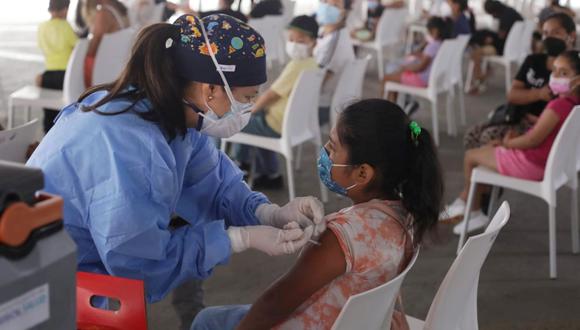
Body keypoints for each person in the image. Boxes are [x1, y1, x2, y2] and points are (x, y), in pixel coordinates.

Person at [27, 13, 326, 313]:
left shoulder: (172, 113)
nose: (248, 109)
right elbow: (140, 267)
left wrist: (268, 212)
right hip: (43, 289)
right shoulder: (128, 147)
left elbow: (216, 183)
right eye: (246, 98)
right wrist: (237, 239)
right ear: (210, 89)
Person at [190, 99, 444, 330]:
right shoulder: (405, 215)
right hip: (351, 321)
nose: (324, 153)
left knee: (207, 320)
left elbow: (276, 303)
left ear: (363, 173)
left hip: (316, 322)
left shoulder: (340, 237)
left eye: (332, 148)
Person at [442, 50, 580, 234]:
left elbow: (532, 140)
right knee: (484, 155)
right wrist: (538, 123)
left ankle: (474, 210)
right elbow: (553, 129)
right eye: (554, 71)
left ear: (577, 80)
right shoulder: (573, 104)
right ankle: (467, 201)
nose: (555, 77)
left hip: (532, 164)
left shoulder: (557, 104)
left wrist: (506, 143)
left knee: (471, 156)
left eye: (563, 73)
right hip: (550, 166)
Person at [463, 13, 576, 150]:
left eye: (556, 32)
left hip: (544, 130)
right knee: (472, 135)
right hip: (517, 118)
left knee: (487, 138)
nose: (549, 37)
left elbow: (571, 110)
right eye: (546, 33)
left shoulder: (574, 69)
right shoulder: (533, 61)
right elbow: (512, 95)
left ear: (572, 36)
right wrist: (539, 94)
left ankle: (499, 165)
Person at [235, 15, 319, 189]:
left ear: (314, 42)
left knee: (236, 120)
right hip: (292, 123)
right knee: (254, 118)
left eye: (301, 40)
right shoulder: (314, 65)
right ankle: (271, 174)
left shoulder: (297, 65)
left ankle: (240, 165)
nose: (294, 44)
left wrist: (250, 111)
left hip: (274, 123)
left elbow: (270, 95)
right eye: (291, 39)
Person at [383, 16, 450, 104]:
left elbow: (420, 67)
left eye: (428, 31)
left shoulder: (432, 46)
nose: (427, 34)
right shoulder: (441, 44)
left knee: (386, 78)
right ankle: (394, 107)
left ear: (434, 31)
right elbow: (428, 60)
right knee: (395, 76)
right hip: (431, 80)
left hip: (421, 81)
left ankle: (383, 110)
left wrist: (405, 68)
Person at [36, 0, 78, 133]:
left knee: (48, 114)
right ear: (65, 9)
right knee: (65, 112)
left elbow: (42, 47)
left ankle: (47, 139)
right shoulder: (66, 26)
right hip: (65, 76)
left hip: (48, 76)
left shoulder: (42, 27)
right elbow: (78, 48)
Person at [467, 0, 523, 93]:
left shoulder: (505, 17)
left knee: (475, 54)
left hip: (502, 48)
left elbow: (501, 36)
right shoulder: (512, 13)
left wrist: (490, 38)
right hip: (515, 48)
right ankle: (484, 74)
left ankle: (479, 79)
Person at [315, 0, 355, 126]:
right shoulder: (326, 32)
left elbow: (318, 83)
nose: (327, 7)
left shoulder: (335, 41)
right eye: (325, 2)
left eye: (335, 5)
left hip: (320, 106)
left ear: (344, 12)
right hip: (322, 101)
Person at [82, 0, 130, 87]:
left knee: (84, 59)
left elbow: (93, 47)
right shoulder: (120, 11)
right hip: (117, 67)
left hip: (101, 69)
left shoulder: (104, 13)